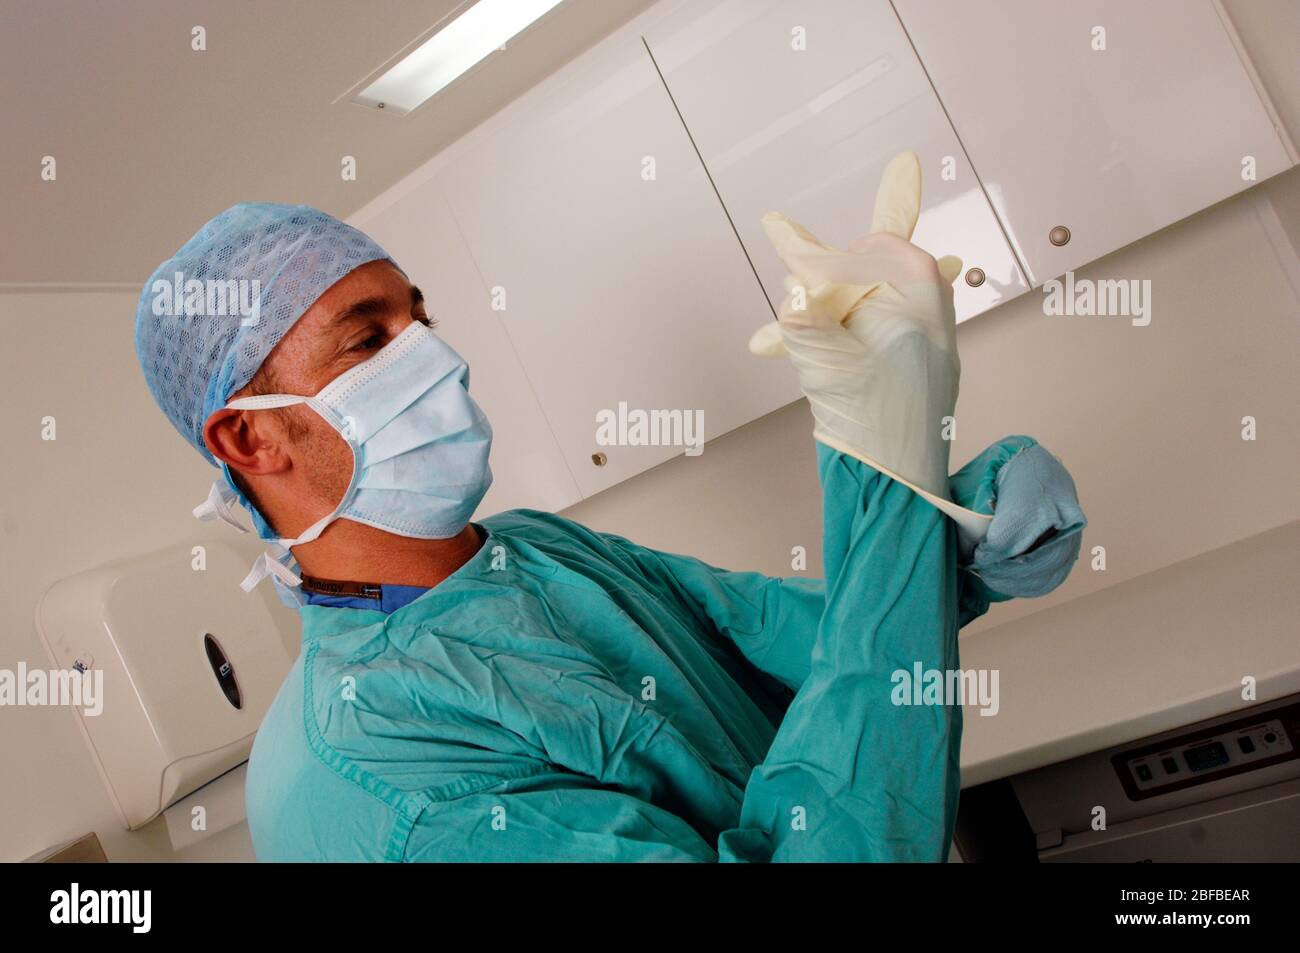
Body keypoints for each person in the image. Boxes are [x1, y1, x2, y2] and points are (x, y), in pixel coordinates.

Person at [134, 153, 1085, 862]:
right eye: (368, 340)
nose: (432, 355)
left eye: (418, 317)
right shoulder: (375, 765)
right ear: (251, 439)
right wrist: (885, 455)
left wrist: (957, 532)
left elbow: (778, 632)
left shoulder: (526, 551)